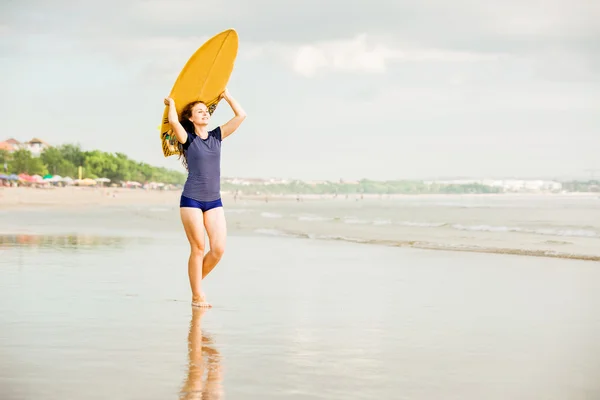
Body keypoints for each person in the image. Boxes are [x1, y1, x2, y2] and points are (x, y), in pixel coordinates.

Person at [164, 88, 246, 308]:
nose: (204, 114)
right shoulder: (188, 138)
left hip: (214, 200)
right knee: (198, 248)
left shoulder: (217, 136)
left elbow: (241, 116)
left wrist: (227, 96)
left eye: (206, 111)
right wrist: (172, 103)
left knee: (218, 249)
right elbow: (173, 121)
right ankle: (197, 295)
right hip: (191, 199)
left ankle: (194, 284)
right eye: (199, 112)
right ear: (191, 118)